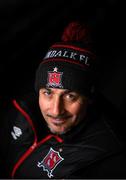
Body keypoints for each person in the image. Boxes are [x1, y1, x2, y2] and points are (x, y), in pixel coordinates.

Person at [0, 21, 126, 179]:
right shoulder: (22, 107)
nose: (55, 110)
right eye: (48, 92)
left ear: (90, 97)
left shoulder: (109, 158)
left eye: (70, 96)